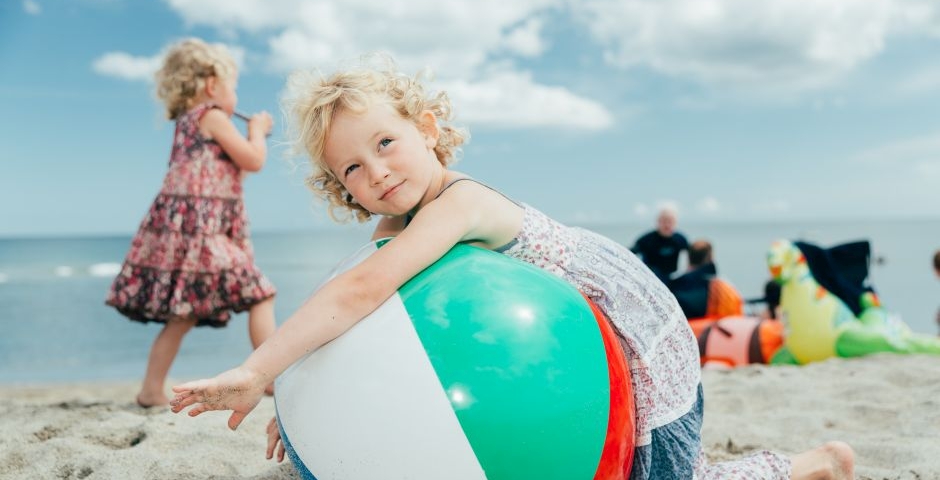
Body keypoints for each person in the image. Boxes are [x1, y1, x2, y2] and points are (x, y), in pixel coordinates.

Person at [170, 57, 854, 479]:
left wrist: (257, 372)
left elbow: (361, 290)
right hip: (576, 350)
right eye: (351, 167)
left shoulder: (459, 203)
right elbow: (359, 310)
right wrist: (302, 400)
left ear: (427, 129)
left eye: (386, 142)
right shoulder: (394, 225)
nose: (375, 171)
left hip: (638, 342)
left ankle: (809, 466)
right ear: (340, 187)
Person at [105, 38, 277, 408]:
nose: (235, 96)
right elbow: (253, 160)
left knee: (182, 316)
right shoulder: (212, 116)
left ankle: (151, 390)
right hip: (204, 236)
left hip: (190, 236)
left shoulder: (187, 123)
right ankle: (269, 378)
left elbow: (231, 174)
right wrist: (257, 131)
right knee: (262, 295)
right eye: (233, 87)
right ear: (212, 85)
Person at [670, 239, 744, 320]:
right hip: (714, 325)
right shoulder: (723, 288)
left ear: (688, 259)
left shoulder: (672, 285)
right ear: (711, 258)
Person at [631, 206, 689, 283]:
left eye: (670, 221)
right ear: (658, 222)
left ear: (675, 223)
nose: (667, 225)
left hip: (671, 278)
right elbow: (629, 253)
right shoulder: (646, 240)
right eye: (664, 221)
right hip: (650, 278)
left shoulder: (680, 239)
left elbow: (693, 256)